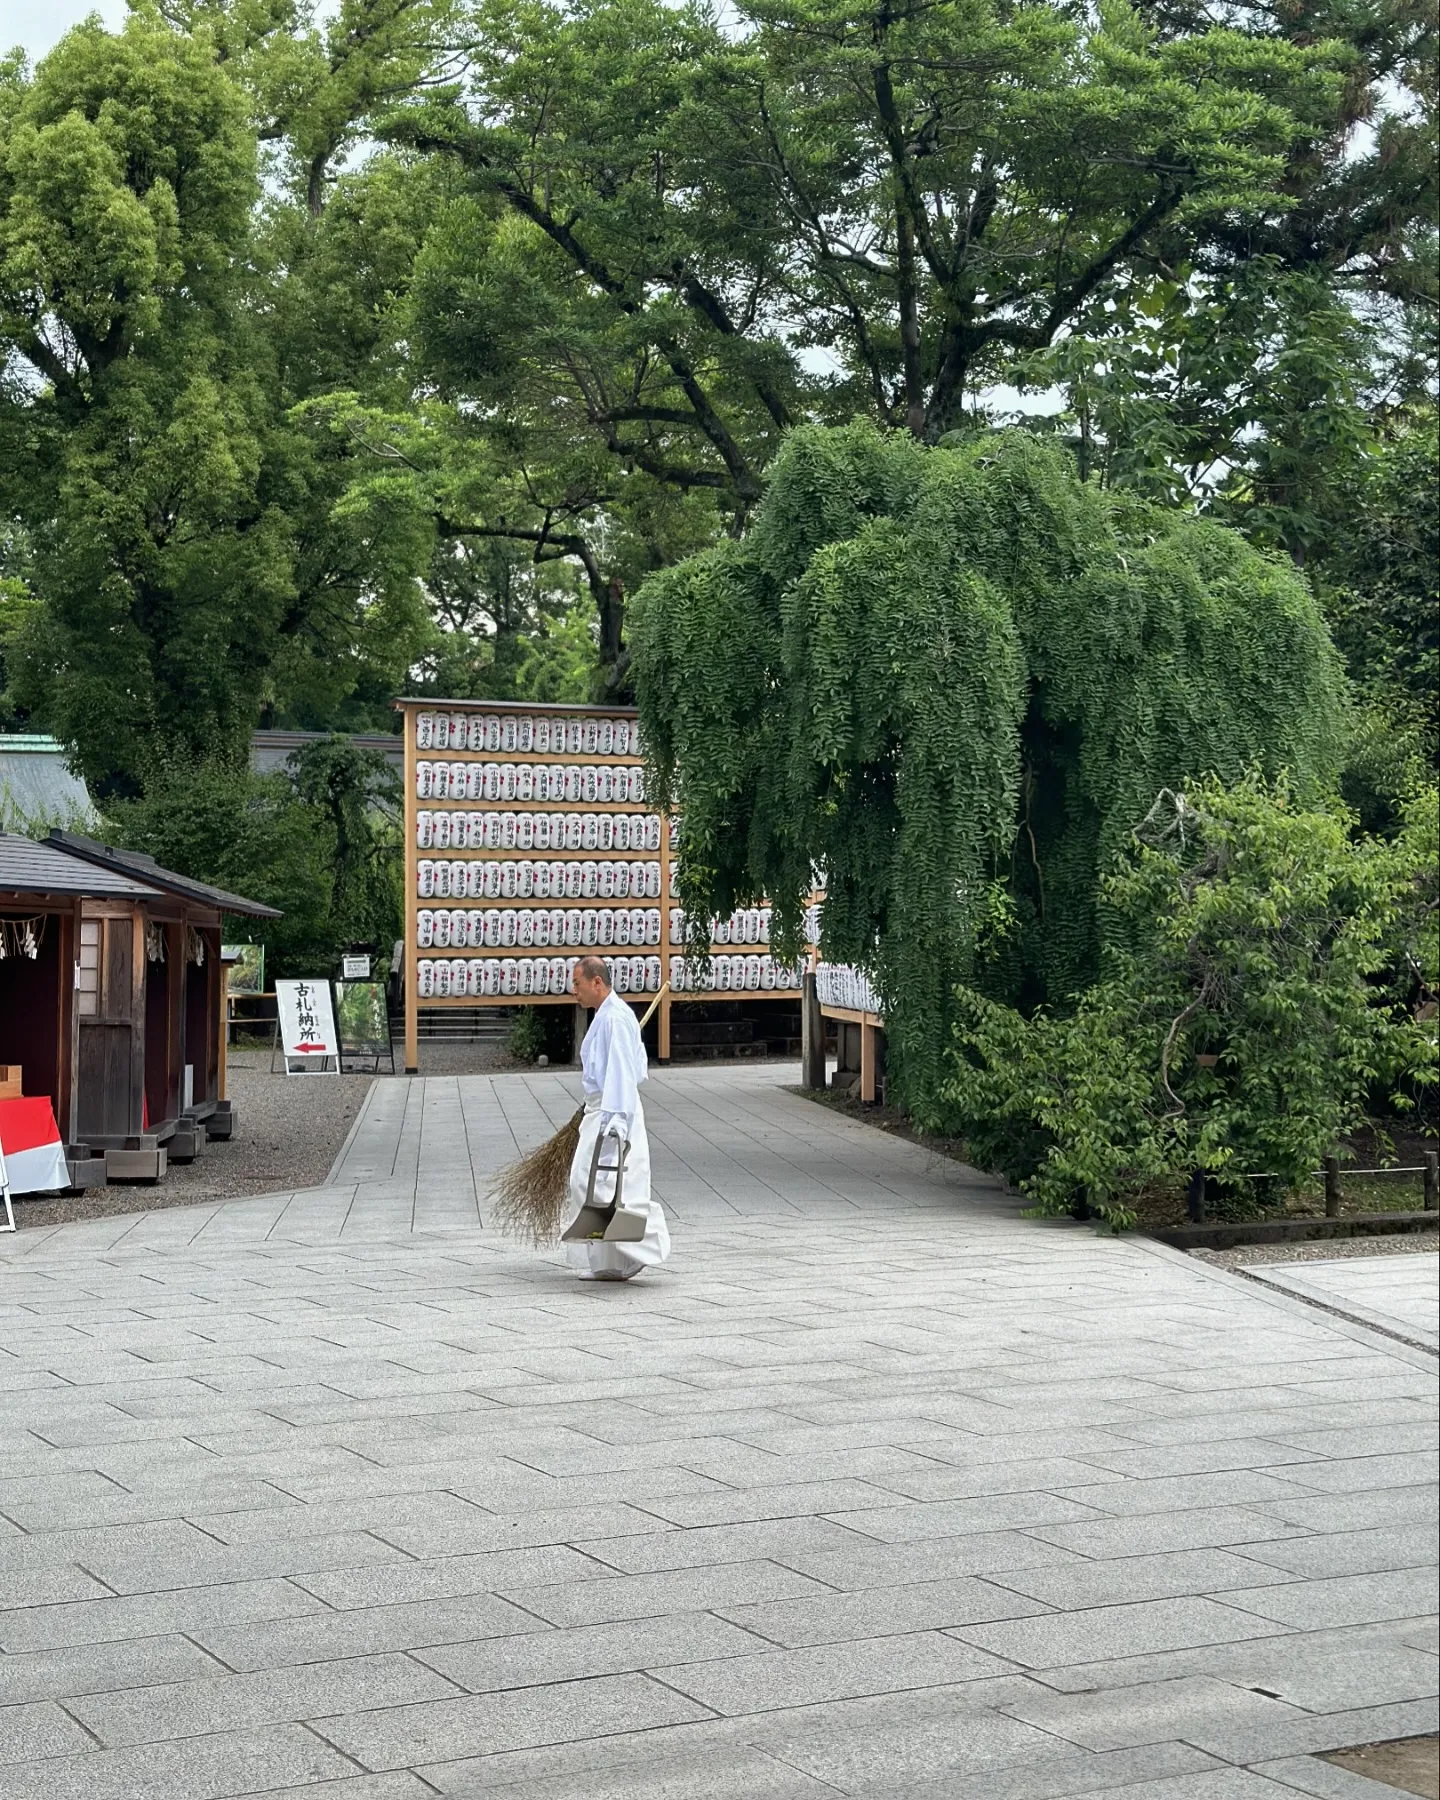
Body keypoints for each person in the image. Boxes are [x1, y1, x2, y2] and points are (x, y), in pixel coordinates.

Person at [565, 956, 670, 1280]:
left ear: (597, 982)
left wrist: (616, 1123)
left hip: (614, 1110)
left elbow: (623, 1073)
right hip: (601, 1107)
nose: (574, 991)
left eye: (578, 984)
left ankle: (639, 1247)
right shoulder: (607, 1016)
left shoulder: (616, 1019)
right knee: (594, 1183)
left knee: (596, 1181)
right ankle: (610, 1262)